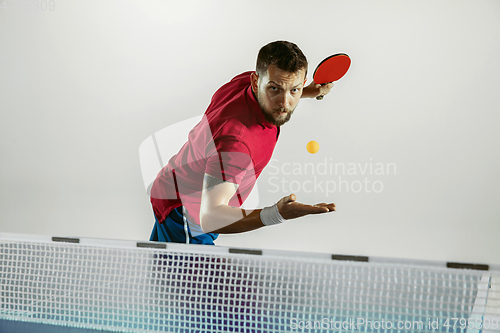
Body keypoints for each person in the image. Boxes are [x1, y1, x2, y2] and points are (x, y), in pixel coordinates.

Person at [149, 40, 336, 245]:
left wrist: (310, 91)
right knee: (206, 278)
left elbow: (281, 89)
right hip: (186, 215)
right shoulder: (237, 143)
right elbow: (210, 217)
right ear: (256, 82)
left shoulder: (244, 84)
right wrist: (276, 214)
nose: (285, 103)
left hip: (174, 184)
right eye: (274, 89)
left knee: (164, 274)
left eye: (294, 90)